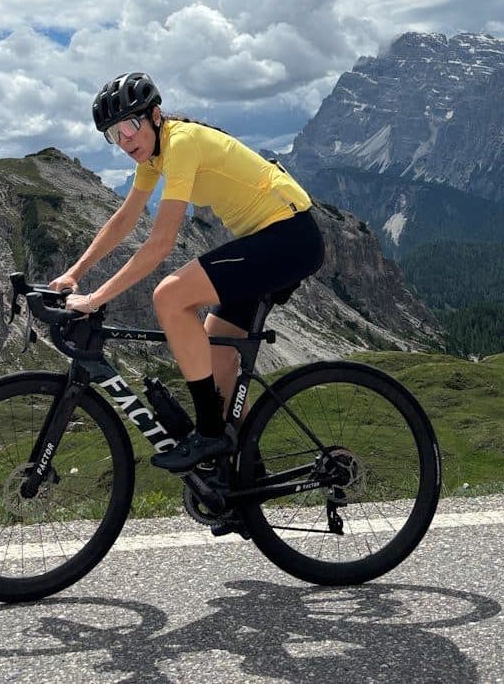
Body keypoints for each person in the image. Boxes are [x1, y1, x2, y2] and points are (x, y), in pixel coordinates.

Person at [49, 72, 325, 473]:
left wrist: (94, 300)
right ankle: (245, 475)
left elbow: (161, 243)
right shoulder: (153, 154)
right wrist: (75, 272)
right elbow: (125, 218)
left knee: (170, 295)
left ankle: (210, 434)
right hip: (272, 239)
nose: (124, 140)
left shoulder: (180, 143)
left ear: (155, 115)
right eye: (113, 134)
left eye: (129, 125)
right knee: (218, 354)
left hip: (288, 236)